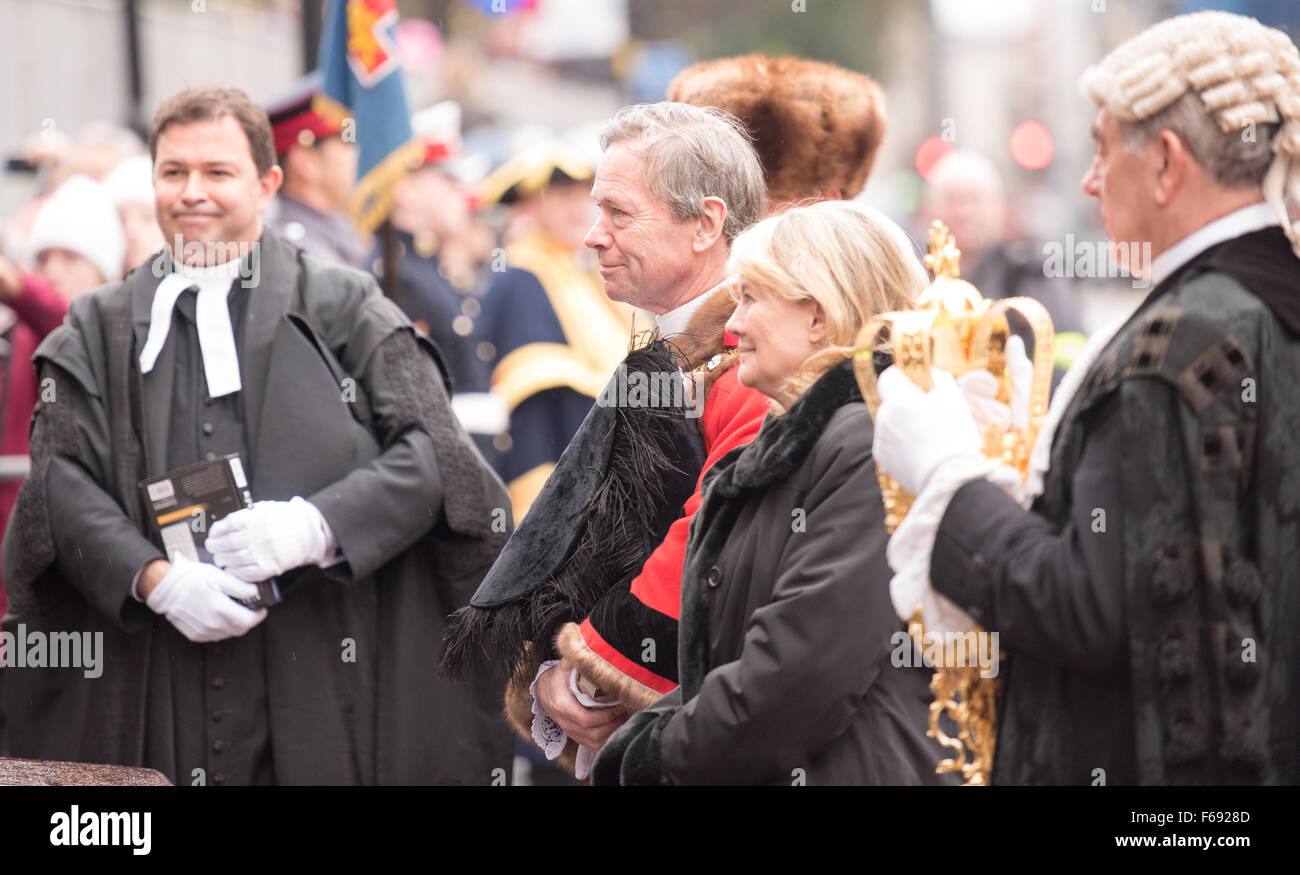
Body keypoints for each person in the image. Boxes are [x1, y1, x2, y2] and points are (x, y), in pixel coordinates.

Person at [2, 86, 513, 785]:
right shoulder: (96, 324)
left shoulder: (343, 303)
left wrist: (317, 525)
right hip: (156, 677)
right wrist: (154, 579)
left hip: (320, 676)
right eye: (173, 172)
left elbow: (438, 458)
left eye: (218, 172)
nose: (192, 193)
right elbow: (58, 481)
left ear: (268, 182)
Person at [872, 10, 1300, 785]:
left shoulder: (1187, 338)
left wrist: (949, 478)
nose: (1089, 180)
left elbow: (1088, 607)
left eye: (1102, 149)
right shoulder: (1265, 302)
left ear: (1167, 163)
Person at [442, 102, 771, 779]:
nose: (593, 235)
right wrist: (552, 665)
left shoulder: (752, 356)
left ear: (706, 224)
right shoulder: (675, 344)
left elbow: (705, 537)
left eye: (618, 213)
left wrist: (591, 668)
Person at [592, 200, 956, 785]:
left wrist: (648, 756)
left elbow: (799, 678)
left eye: (751, 299)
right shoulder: (805, 439)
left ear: (818, 315)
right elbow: (731, 656)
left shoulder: (869, 440)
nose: (732, 326)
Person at [476, 141, 634, 521]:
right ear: (526, 207)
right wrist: (547, 521)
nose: (578, 208)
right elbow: (534, 413)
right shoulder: (520, 278)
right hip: (567, 488)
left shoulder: (581, 272)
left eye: (585, 197)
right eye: (562, 196)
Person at [923, 149, 1086, 378]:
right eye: (952, 200)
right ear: (929, 210)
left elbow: (1069, 351)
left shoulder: (1032, 275)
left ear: (999, 209)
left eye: (975, 200)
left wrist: (1028, 400)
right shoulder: (913, 278)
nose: (964, 212)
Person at [265, 75, 372, 270]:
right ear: (306, 161)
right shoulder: (300, 258)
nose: (361, 155)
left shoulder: (330, 244)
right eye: (348, 142)